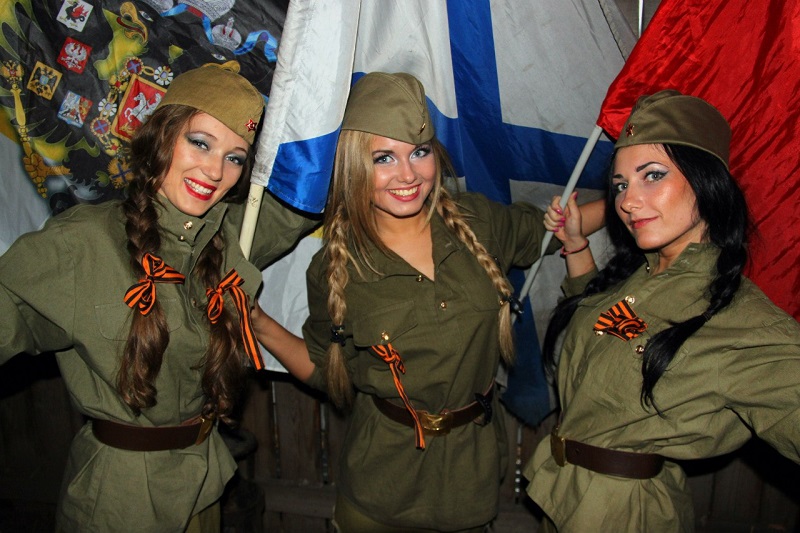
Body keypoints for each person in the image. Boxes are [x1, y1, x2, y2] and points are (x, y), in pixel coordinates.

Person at [252, 71, 604, 532]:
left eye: (419, 152)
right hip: (379, 485)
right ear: (355, 165)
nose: (408, 174)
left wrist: (627, 202)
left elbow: (552, 230)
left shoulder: (478, 221)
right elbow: (325, 367)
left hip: (469, 480)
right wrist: (258, 322)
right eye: (384, 158)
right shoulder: (335, 267)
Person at [0, 64, 318, 532]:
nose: (216, 171)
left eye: (235, 157)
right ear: (161, 135)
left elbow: (306, 192)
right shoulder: (82, 244)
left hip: (205, 483)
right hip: (122, 499)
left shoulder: (228, 237)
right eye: (201, 143)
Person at [523, 90, 800, 532]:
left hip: (626, 517)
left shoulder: (741, 321)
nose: (627, 201)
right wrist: (575, 245)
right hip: (567, 500)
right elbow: (604, 327)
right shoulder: (645, 273)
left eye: (652, 175)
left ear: (706, 182)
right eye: (620, 185)